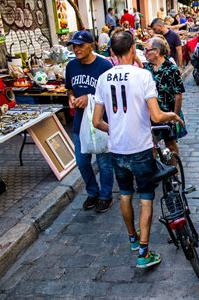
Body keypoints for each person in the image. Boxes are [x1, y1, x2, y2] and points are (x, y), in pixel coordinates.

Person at [92, 31, 182, 268]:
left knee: (124, 194)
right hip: (140, 148)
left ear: (111, 52)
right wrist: (173, 115)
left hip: (117, 149)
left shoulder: (103, 78)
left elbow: (96, 121)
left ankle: (132, 238)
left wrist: (115, 130)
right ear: (133, 49)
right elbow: (156, 115)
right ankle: (144, 252)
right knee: (146, 199)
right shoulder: (143, 76)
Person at [65, 30, 114, 213]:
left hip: (101, 122)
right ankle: (92, 192)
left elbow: (112, 95)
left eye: (80, 45)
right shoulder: (71, 66)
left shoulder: (104, 65)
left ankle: (105, 196)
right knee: (82, 161)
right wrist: (71, 97)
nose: (76, 49)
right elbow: (69, 88)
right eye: (74, 46)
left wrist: (90, 98)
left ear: (91, 45)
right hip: (80, 122)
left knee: (104, 163)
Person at [143, 37, 187, 157]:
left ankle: (174, 171)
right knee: (151, 145)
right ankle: (156, 173)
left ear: (156, 52)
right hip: (150, 114)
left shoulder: (171, 69)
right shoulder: (146, 68)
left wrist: (174, 115)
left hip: (167, 113)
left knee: (170, 144)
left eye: (147, 50)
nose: (144, 53)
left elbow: (178, 95)